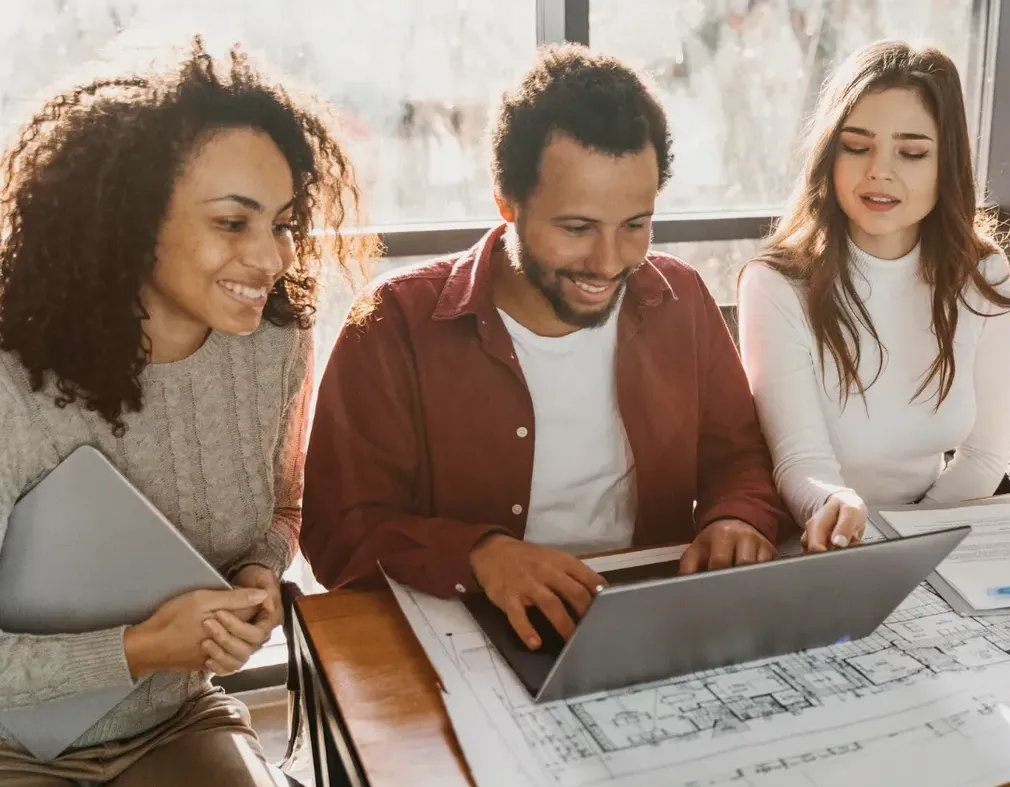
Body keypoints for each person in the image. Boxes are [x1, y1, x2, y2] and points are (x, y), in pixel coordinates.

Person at [300, 44, 792, 651]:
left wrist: (735, 517)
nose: (610, 262)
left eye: (635, 224)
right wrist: (480, 555)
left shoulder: (680, 298)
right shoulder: (393, 325)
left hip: (647, 617)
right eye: (577, 228)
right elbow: (339, 533)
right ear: (506, 202)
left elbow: (739, 456)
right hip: (467, 631)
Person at [0, 38, 372, 786]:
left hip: (174, 720)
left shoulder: (274, 342)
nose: (271, 259)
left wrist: (259, 574)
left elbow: (285, 509)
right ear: (129, 218)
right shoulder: (14, 380)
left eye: (285, 223)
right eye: (233, 223)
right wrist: (140, 646)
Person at [738, 40, 1010, 552]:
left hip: (933, 533)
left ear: (946, 163)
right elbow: (799, 462)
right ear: (829, 153)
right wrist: (841, 518)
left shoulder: (983, 273)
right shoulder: (777, 283)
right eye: (857, 146)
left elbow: (985, 456)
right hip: (813, 539)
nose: (879, 172)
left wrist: (904, 544)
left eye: (911, 152)